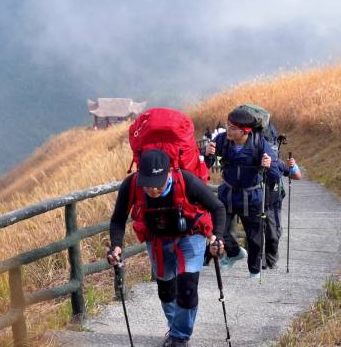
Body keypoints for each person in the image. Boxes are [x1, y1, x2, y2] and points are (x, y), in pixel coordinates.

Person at [107, 149, 226, 347]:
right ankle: (175, 328)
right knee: (166, 289)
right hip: (157, 239)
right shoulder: (132, 184)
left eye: (158, 185)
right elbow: (118, 219)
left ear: (168, 174)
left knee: (187, 286)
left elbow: (217, 207)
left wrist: (218, 237)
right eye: (148, 186)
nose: (153, 190)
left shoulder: (186, 180)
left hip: (191, 235)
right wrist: (116, 246)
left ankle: (179, 337)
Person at [205, 108, 281, 279]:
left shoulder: (259, 143)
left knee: (254, 236)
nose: (228, 130)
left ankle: (254, 270)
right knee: (218, 228)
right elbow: (205, 167)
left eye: (232, 128)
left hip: (252, 196)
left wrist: (269, 165)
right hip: (228, 192)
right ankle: (233, 252)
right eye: (227, 126)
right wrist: (208, 154)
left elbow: (275, 174)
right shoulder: (222, 140)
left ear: (245, 131)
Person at [263, 156, 302, 269]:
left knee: (274, 234)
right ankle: (259, 260)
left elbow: (297, 175)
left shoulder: (277, 163)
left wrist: (293, 166)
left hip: (274, 203)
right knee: (257, 233)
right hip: (256, 203)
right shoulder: (252, 160)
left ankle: (270, 260)